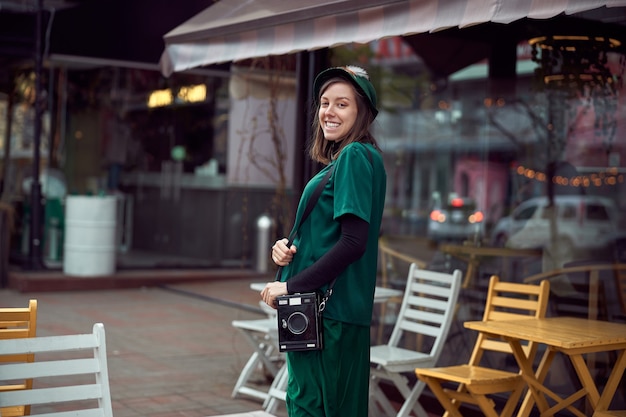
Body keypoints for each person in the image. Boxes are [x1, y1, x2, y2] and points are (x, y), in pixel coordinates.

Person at [260, 65, 387, 417]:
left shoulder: (355, 156)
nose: (329, 112)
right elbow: (333, 235)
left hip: (327, 314)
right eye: (324, 102)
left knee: (311, 407)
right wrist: (288, 247)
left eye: (342, 104)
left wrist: (291, 286)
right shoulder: (350, 160)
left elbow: (353, 243)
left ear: (363, 112)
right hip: (324, 313)